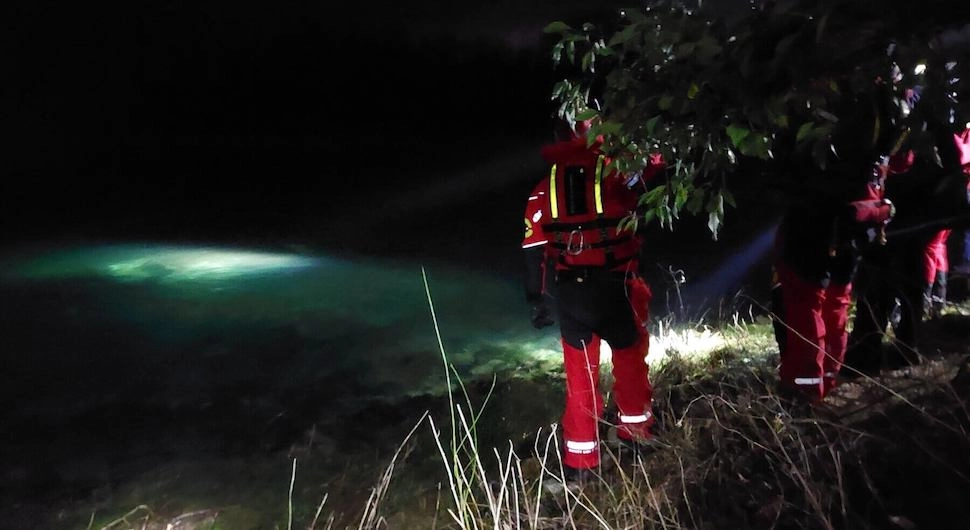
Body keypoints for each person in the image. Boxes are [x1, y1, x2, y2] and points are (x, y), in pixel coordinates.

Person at [522, 117, 664, 477]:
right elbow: (654, 167)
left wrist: (536, 300)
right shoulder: (617, 172)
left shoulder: (544, 188)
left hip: (572, 294)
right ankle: (636, 436)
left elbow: (533, 250)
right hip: (618, 286)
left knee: (579, 377)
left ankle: (581, 462)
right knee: (630, 363)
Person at [772, 77, 898, 401]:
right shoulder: (882, 110)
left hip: (815, 219)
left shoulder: (822, 118)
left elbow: (790, 167)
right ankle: (826, 381)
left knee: (805, 304)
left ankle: (804, 391)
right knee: (836, 302)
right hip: (853, 226)